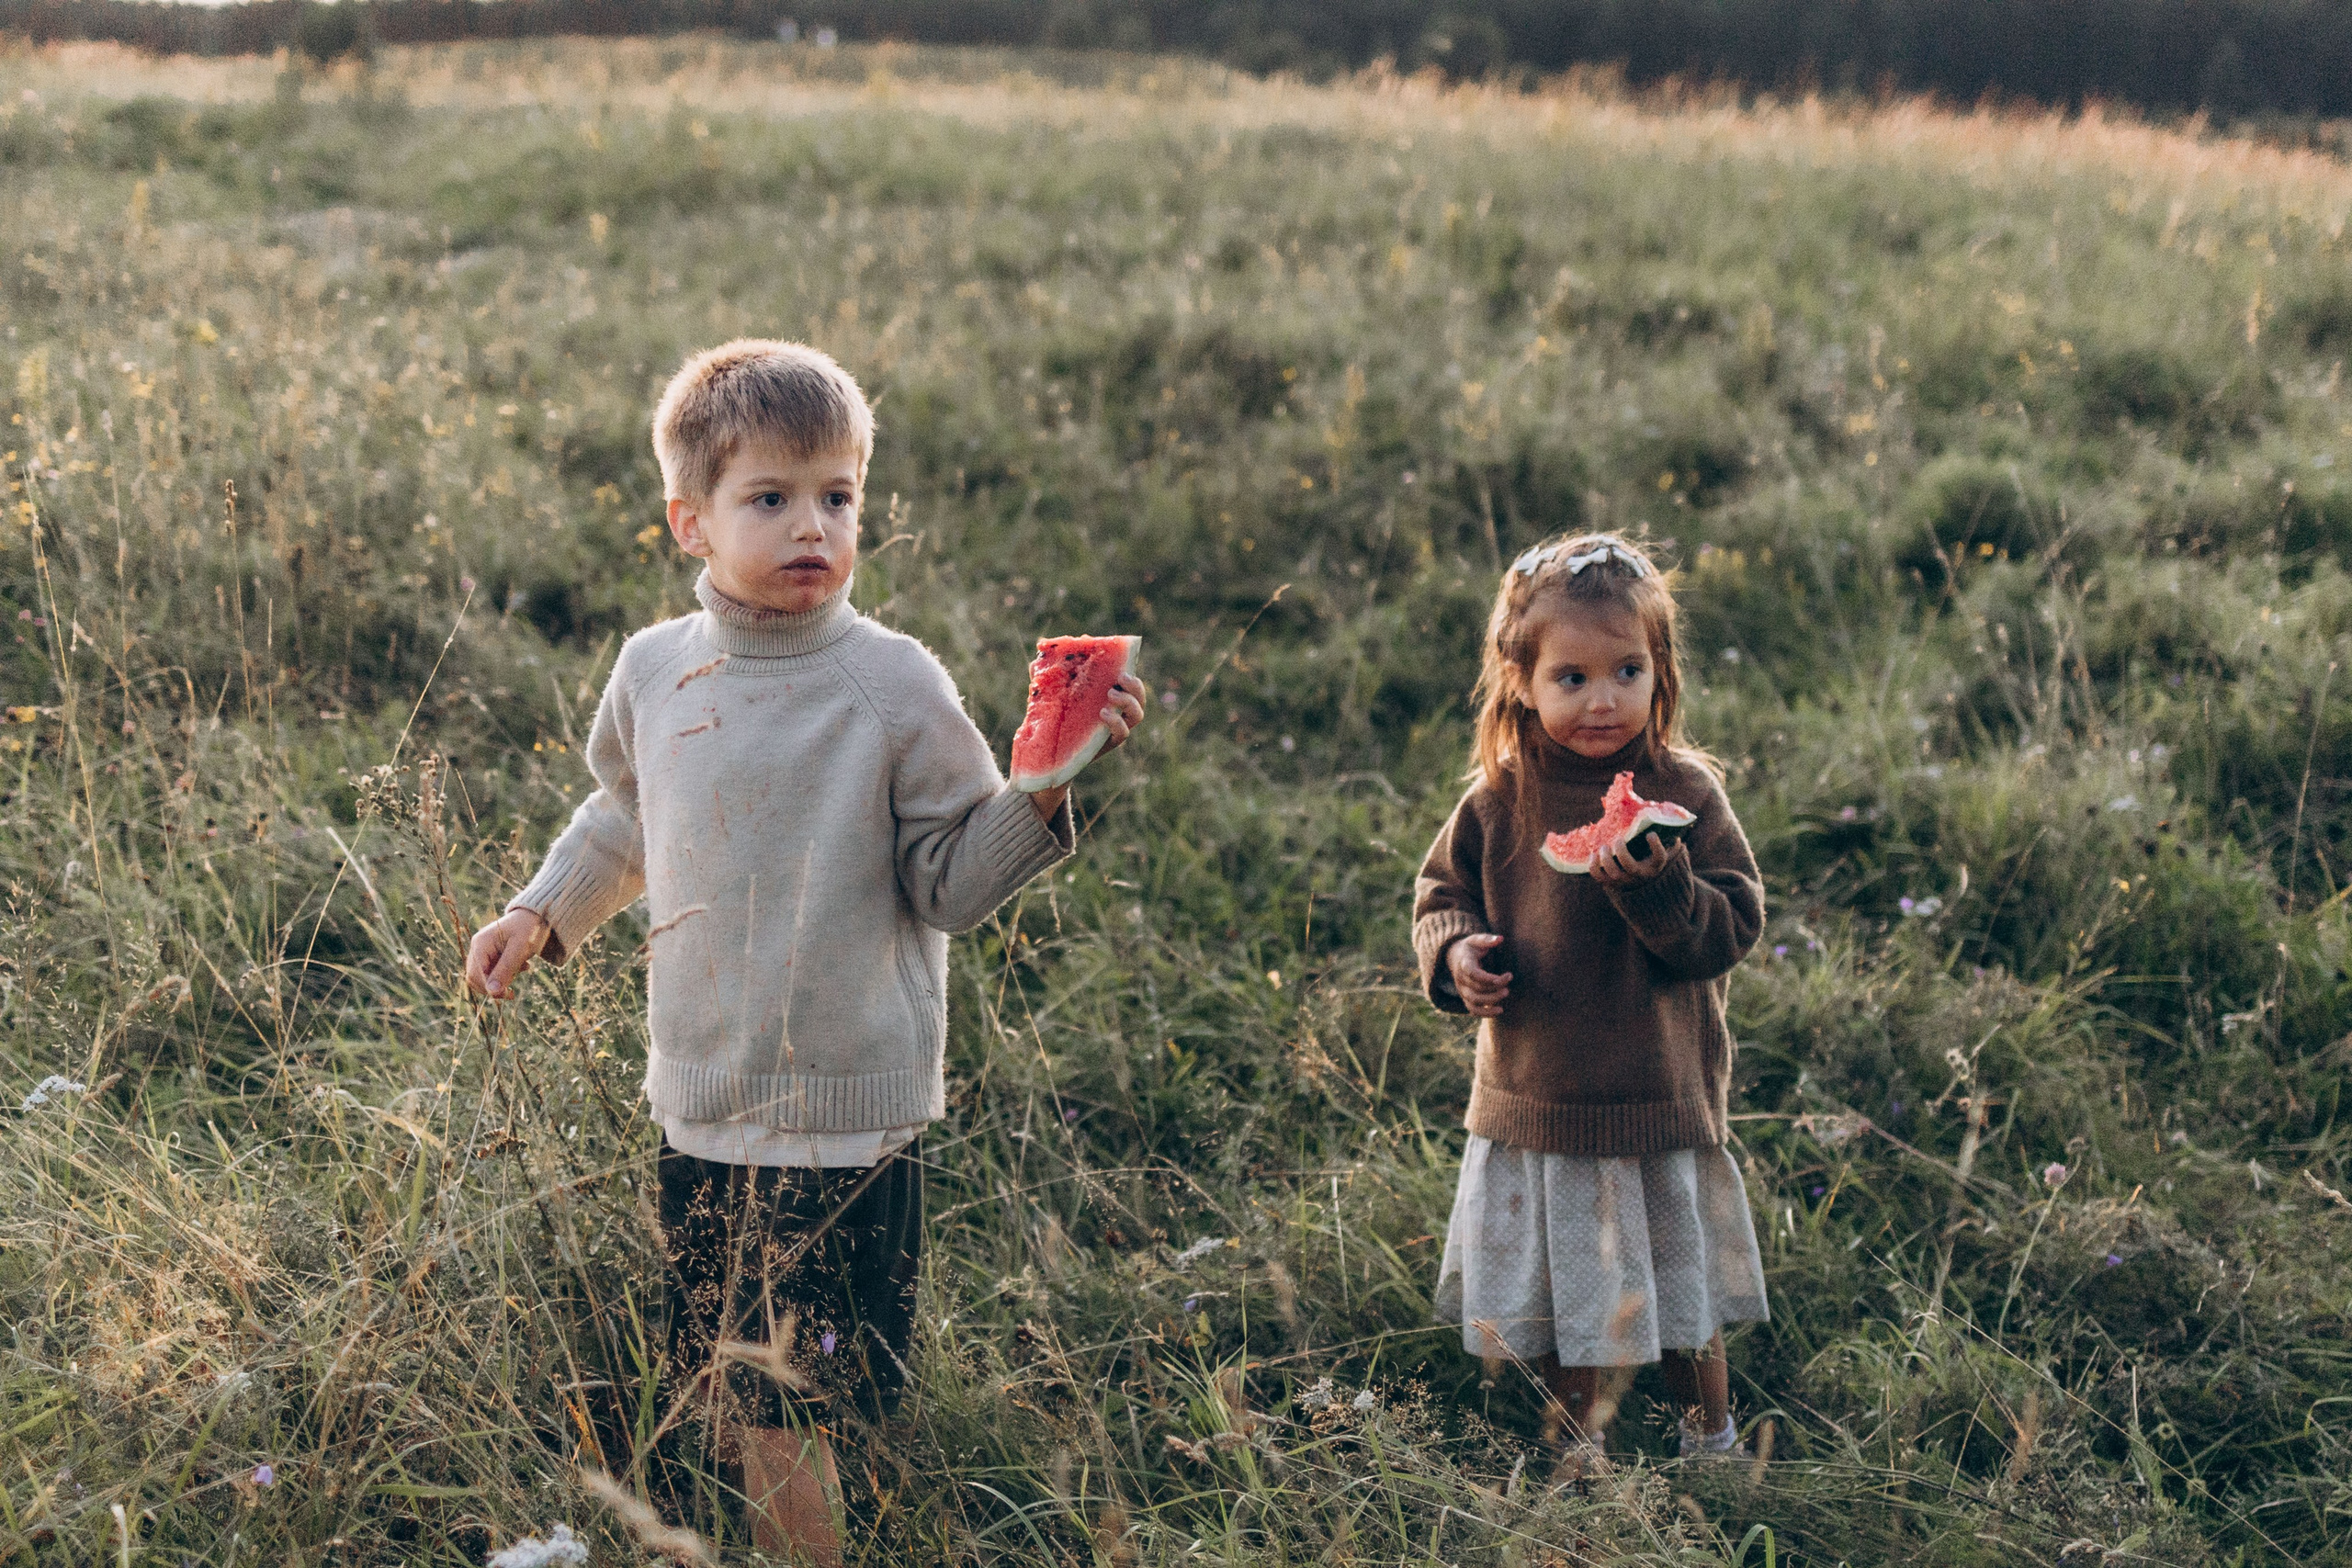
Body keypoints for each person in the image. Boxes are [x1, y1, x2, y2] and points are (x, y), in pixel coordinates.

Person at [463, 340, 1146, 1562]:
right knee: (748, 1384)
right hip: (704, 1102)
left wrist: (1046, 793)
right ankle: (842, 1520)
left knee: (800, 1389)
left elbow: (951, 883)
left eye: (838, 496)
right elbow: (627, 815)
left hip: (843, 1118)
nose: (811, 526)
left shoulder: (893, 685)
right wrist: (542, 909)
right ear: (691, 520)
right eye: (769, 498)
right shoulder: (655, 671)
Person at [1411, 531, 1767, 1470]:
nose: (1602, 699)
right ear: (1520, 682)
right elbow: (1438, 899)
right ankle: (1578, 1453)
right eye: (1571, 678)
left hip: (1658, 1099)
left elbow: (1730, 926)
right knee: (1576, 1309)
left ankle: (1711, 1439)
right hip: (1546, 1106)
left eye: (1626, 671)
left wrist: (1659, 890)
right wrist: (1455, 958)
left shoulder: (1685, 792)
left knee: (1685, 1302)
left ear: (1661, 673)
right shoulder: (1496, 802)